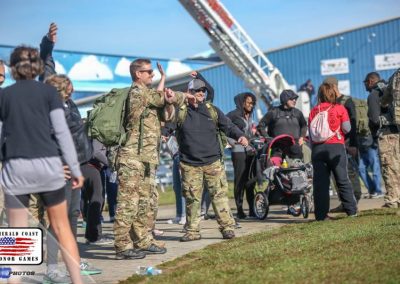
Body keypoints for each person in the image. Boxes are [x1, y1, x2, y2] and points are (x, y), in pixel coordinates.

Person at [0, 45, 84, 284]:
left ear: (12, 67)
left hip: (16, 167)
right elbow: (61, 133)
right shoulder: (49, 94)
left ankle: (12, 281)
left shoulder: (4, 96)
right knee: (62, 228)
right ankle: (77, 281)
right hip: (49, 166)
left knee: (16, 231)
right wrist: (75, 170)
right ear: (36, 66)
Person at [40, 23, 102, 281]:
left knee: (71, 217)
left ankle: (71, 263)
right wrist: (47, 46)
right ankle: (53, 268)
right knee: (57, 221)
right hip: (59, 171)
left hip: (75, 169)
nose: (71, 86)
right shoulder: (51, 108)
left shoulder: (68, 105)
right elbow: (46, 69)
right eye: (67, 85)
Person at [113, 58, 187, 259]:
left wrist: (169, 98)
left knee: (147, 201)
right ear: (138, 74)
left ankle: (143, 240)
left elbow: (167, 115)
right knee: (128, 203)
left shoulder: (148, 96)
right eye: (149, 72)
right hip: (131, 157)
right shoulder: (137, 93)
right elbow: (163, 98)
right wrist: (182, 95)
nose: (152, 75)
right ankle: (122, 245)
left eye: (153, 73)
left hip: (147, 157)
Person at [173, 76, 249, 242]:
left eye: (203, 90)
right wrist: (164, 135)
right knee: (192, 199)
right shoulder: (181, 111)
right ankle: (192, 231)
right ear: (189, 92)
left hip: (213, 162)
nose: (201, 93)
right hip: (189, 164)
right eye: (197, 90)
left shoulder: (212, 110)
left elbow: (228, 126)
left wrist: (241, 136)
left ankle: (227, 228)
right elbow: (168, 127)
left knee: (219, 196)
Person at [309, 83, 358, 220]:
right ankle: (351, 211)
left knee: (320, 184)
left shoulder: (313, 111)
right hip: (335, 147)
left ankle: (321, 216)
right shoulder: (339, 108)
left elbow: (311, 135)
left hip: (317, 150)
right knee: (342, 179)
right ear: (333, 94)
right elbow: (347, 129)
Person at [322, 77, 362, 212]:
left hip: (347, 143)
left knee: (350, 173)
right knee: (336, 175)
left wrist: (353, 145)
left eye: (326, 87)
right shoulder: (328, 102)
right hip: (334, 144)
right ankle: (344, 202)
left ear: (333, 86)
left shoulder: (347, 101)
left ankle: (353, 200)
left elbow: (353, 125)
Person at [366, 71, 400, 208]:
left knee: (389, 167)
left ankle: (392, 200)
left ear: (370, 81)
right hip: (397, 132)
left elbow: (374, 119)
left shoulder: (374, 94)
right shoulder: (389, 86)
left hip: (387, 134)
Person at [226, 92, 257, 219]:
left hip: (250, 151)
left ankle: (252, 209)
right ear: (242, 102)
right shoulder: (233, 115)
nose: (251, 105)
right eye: (249, 102)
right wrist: (232, 143)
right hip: (238, 151)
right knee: (240, 180)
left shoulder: (249, 116)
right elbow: (223, 127)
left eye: (253, 103)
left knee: (251, 180)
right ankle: (239, 209)